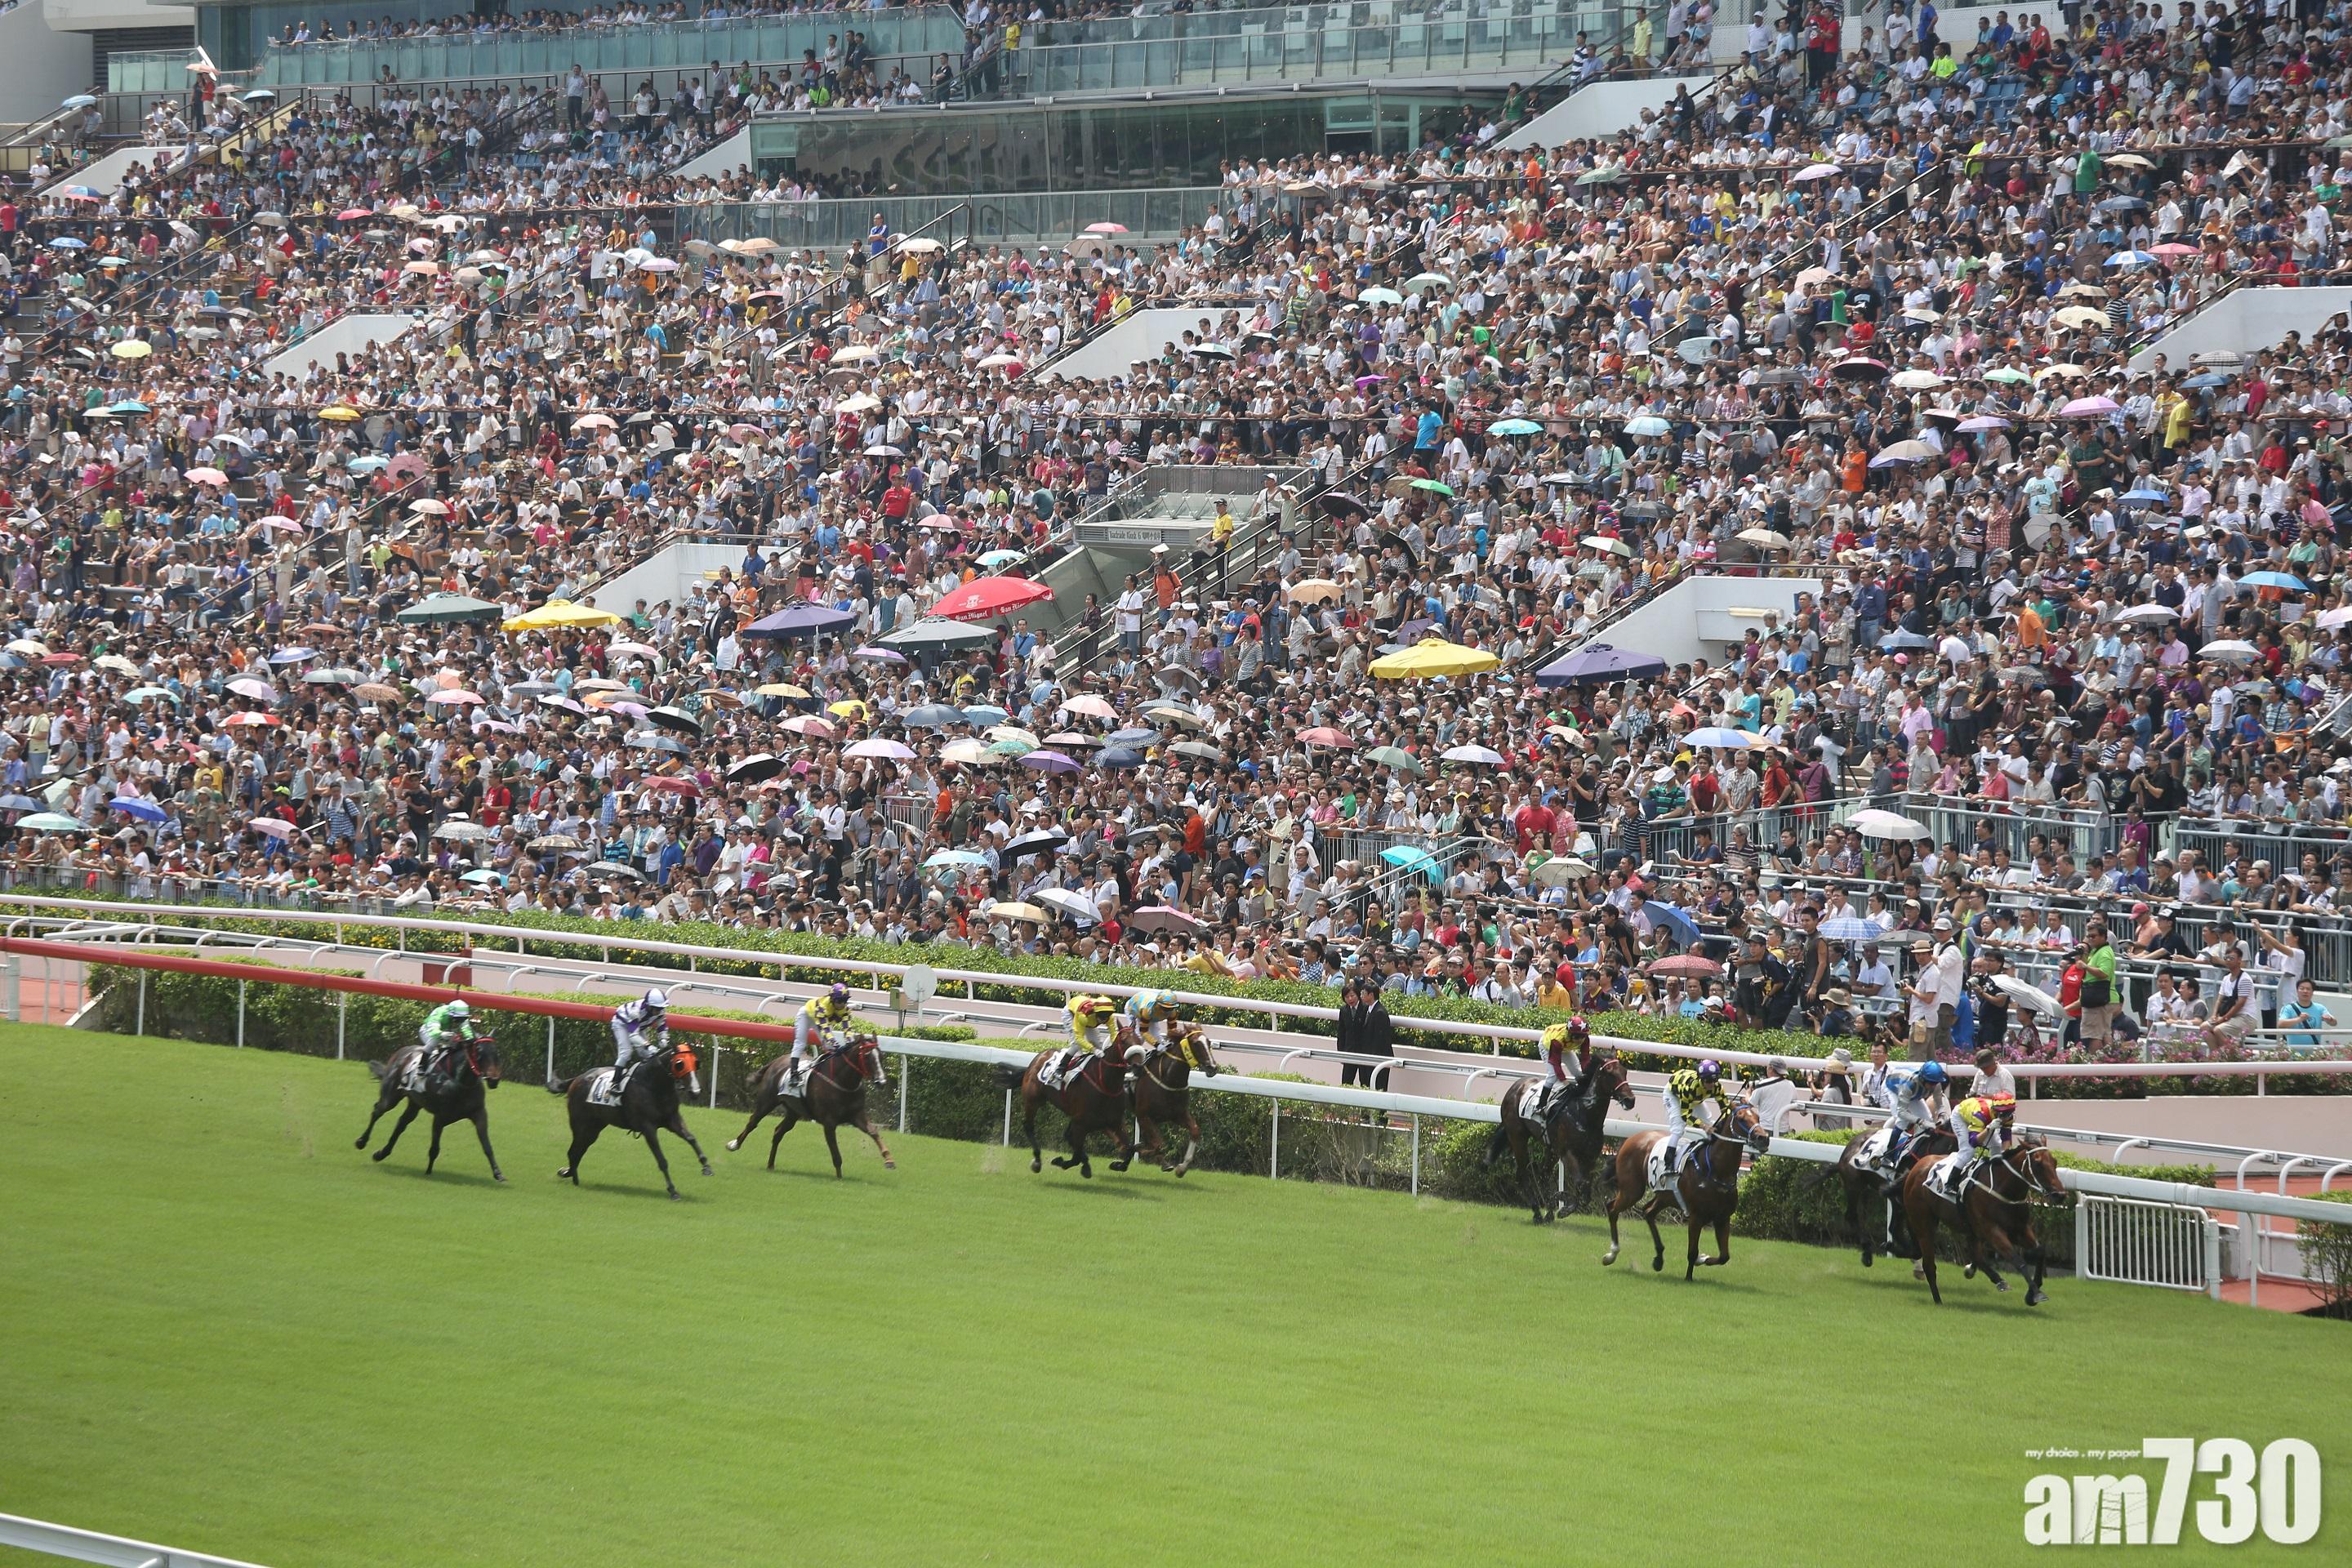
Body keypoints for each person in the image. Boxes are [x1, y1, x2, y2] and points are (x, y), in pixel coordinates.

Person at [1657, 1058, 1739, 1190]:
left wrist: (1721, 1125)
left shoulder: (1717, 1087)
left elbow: (1725, 1110)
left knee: (1711, 1122)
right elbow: (1685, 1116)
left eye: (1715, 1080)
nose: (1711, 1084)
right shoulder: (1691, 1087)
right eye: (1708, 1081)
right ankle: (1668, 1163)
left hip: (1696, 1099)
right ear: (1701, 1079)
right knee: (1678, 1128)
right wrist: (1704, 1127)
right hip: (1675, 1095)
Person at [1864, 1054, 1947, 1183]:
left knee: (1929, 1120)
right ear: (1923, 1079)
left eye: (1935, 1083)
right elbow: (1902, 1112)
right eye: (1931, 1083)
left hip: (1914, 1095)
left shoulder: (1936, 1084)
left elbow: (1939, 1104)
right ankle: (1889, 1155)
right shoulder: (1908, 1085)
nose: (1933, 1086)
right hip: (1894, 1088)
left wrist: (1942, 1116)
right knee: (1902, 1120)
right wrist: (1920, 1121)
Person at [789, 981, 858, 1089]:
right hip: (806, 1015)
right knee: (800, 1044)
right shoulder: (822, 1007)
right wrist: (836, 1044)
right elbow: (825, 1030)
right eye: (839, 1001)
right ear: (832, 999)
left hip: (821, 1021)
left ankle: (832, 1074)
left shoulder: (846, 1010)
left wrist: (850, 1041)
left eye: (845, 1001)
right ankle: (793, 1074)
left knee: (829, 1047)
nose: (842, 1004)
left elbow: (847, 1029)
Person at [1945, 1090, 2018, 1187]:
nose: (2005, 1118)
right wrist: (1988, 1128)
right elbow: (1974, 1142)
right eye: (2003, 1115)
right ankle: (1950, 1183)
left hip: (1982, 1118)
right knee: (1968, 1151)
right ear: (1995, 1111)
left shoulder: (2009, 1117)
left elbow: (2006, 1140)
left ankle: (1995, 1174)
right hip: (1961, 1117)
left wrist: (2004, 1157)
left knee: (1996, 1145)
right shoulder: (1980, 1114)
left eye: (2009, 1113)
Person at [1047, 994, 1121, 1087]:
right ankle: (1060, 1068)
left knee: (1098, 1044)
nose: (1104, 1020)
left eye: (1106, 1017)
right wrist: (1093, 1050)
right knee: (1076, 1046)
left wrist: (1117, 1045)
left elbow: (1114, 1034)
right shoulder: (1083, 1016)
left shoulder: (1109, 1017)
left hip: (1090, 1020)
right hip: (1072, 1014)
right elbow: (1079, 1039)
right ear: (1095, 1012)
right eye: (1102, 1017)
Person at [1334, 978, 1393, 1088]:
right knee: (1346, 1082)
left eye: (1353, 995)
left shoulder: (1367, 1008)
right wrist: (1341, 1053)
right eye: (1347, 997)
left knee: (1365, 1082)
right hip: (1349, 1052)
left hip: (1364, 1053)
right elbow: (1341, 1033)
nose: (1350, 999)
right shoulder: (1344, 1010)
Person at [1533, 1015, 1594, 1120]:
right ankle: (1540, 1106)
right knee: (1552, 1076)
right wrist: (1566, 1083)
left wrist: (1587, 1076)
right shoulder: (1558, 1039)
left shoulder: (1585, 1038)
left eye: (1582, 1037)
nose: (1580, 1040)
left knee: (1579, 1073)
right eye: (1577, 1037)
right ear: (1570, 1034)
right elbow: (1556, 1064)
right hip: (1548, 1046)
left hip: (1565, 1048)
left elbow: (1585, 1058)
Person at [609, 987, 670, 1089]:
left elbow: (662, 1026)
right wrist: (648, 1045)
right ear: (649, 1006)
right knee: (626, 1052)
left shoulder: (661, 1011)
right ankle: (615, 1083)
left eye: (661, 1008)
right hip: (622, 1024)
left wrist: (663, 1039)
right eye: (657, 1009)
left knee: (648, 1054)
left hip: (639, 1026)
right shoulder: (635, 1011)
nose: (659, 1011)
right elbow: (633, 1036)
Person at [416, 997, 479, 1092]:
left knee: (456, 1045)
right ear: (451, 1014)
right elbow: (433, 1030)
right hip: (428, 1031)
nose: (459, 1022)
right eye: (457, 1019)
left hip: (446, 1032)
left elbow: (466, 1030)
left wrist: (470, 1039)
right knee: (434, 1042)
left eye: (462, 1019)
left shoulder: (461, 1018)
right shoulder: (439, 1013)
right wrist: (441, 1034)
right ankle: (422, 1066)